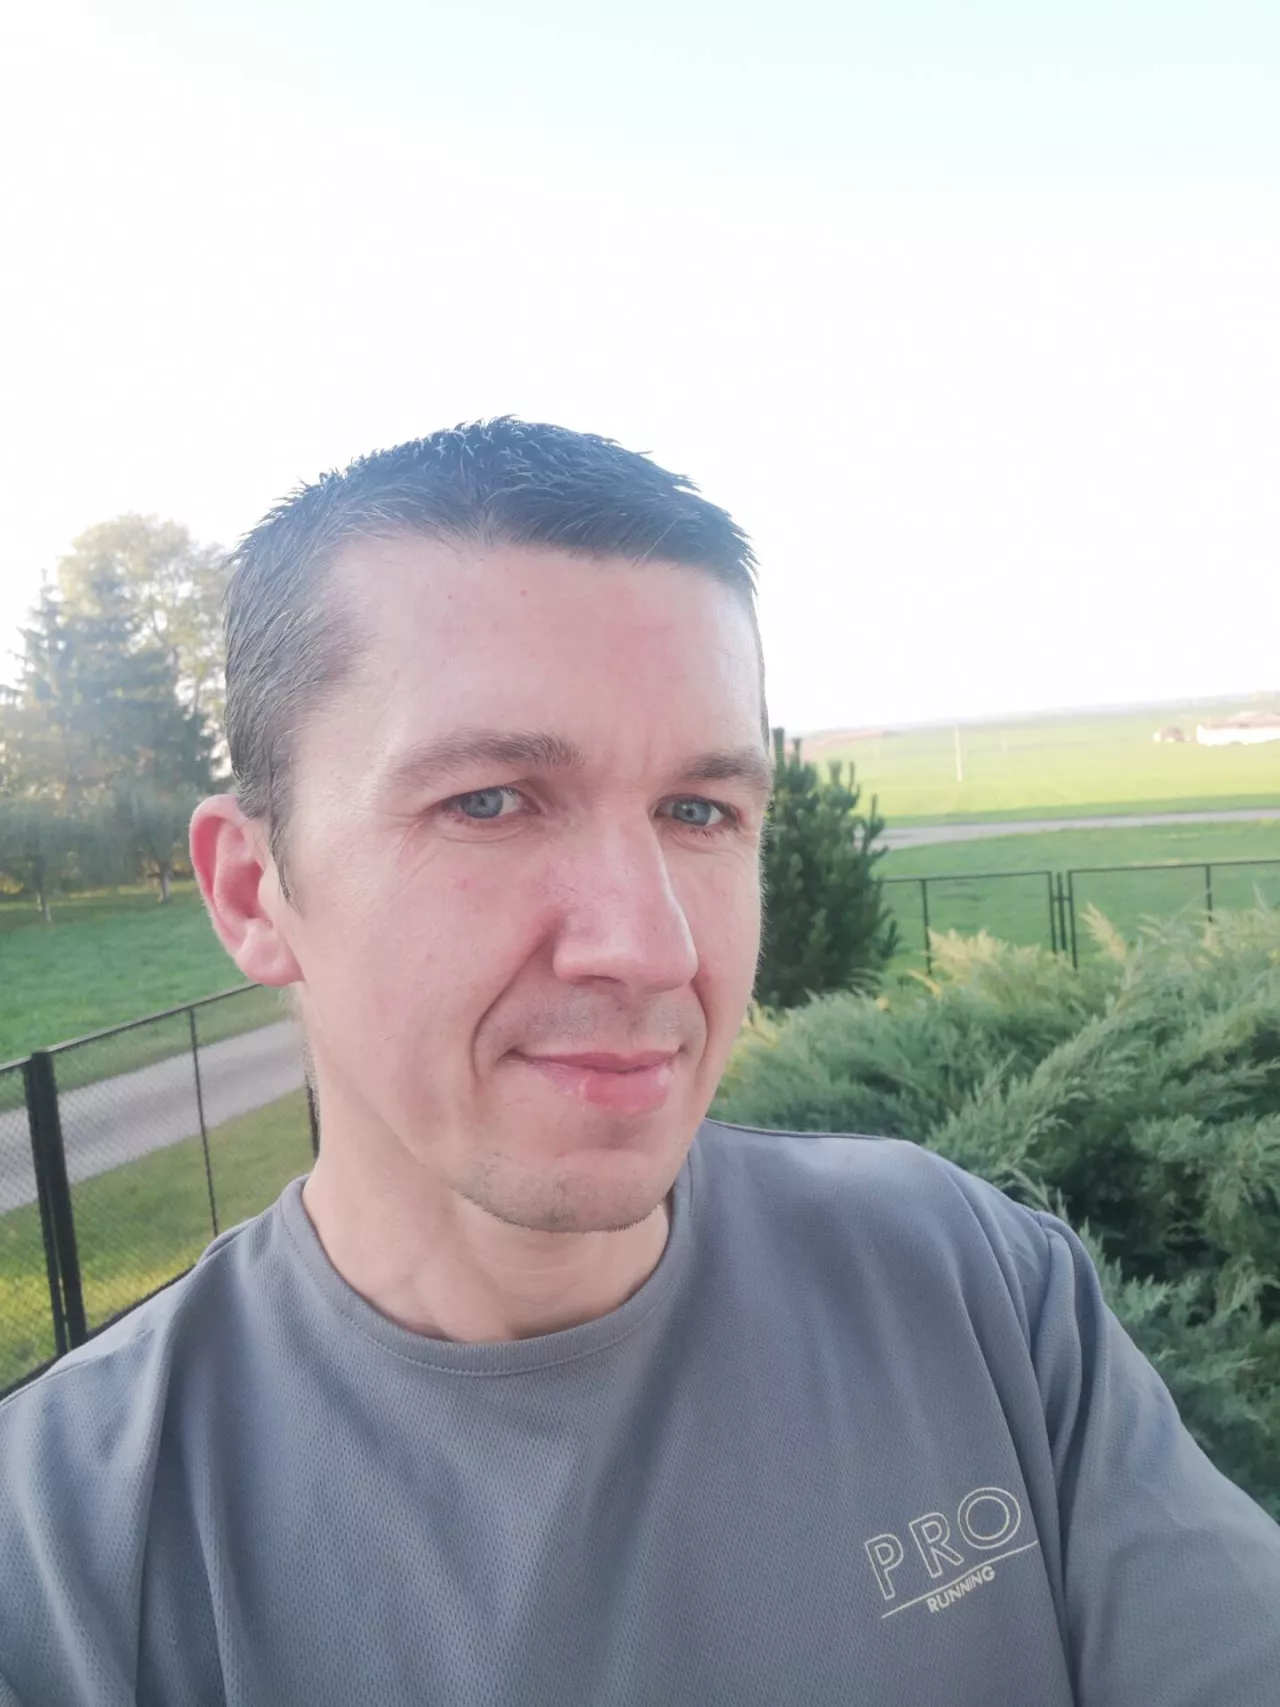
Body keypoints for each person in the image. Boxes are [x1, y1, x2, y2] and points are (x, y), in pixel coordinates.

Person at [1, 419, 1277, 1707]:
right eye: (488, 801)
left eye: (700, 811)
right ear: (251, 891)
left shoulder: (976, 1286)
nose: (652, 947)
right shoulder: (67, 1551)